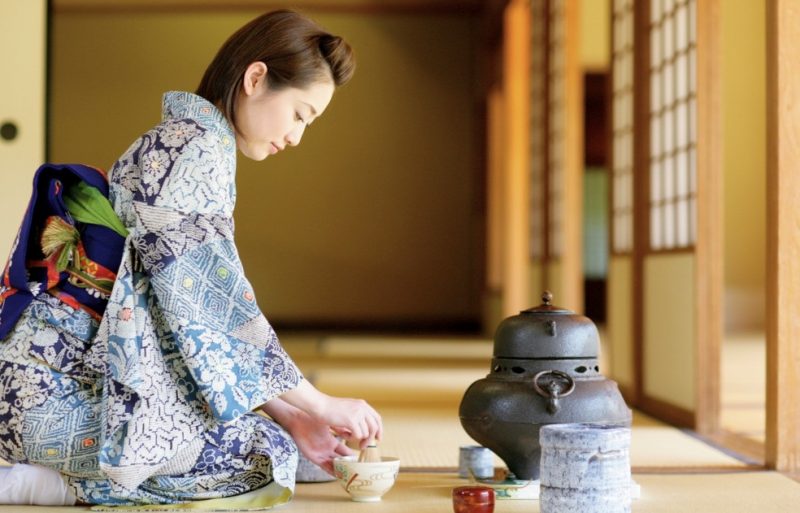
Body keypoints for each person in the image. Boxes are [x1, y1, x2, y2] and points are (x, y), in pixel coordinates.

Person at [0, 9, 382, 508]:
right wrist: (318, 401)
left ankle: (50, 472)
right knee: (262, 456)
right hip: (46, 391)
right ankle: (46, 485)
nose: (296, 137)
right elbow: (212, 312)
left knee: (291, 444)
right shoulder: (194, 151)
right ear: (256, 77)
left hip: (40, 380)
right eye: (299, 115)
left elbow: (188, 324)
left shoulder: (188, 142)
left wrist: (294, 414)